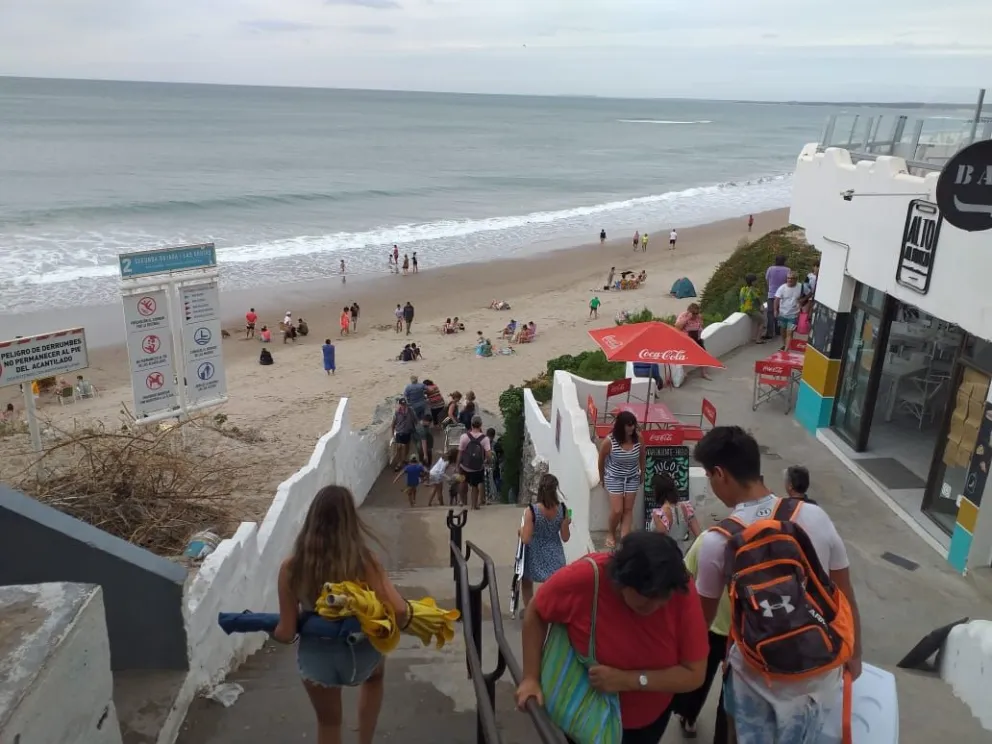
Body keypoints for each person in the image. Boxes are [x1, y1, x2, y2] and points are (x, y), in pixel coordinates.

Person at [692, 427, 862, 744]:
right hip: (819, 672)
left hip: (756, 681)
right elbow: (843, 594)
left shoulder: (718, 541)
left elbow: (701, 622)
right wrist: (855, 654)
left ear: (719, 474)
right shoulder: (815, 516)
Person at [515, 531, 709, 743]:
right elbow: (536, 611)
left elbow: (694, 674)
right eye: (645, 602)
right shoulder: (586, 578)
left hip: (646, 722)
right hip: (584, 714)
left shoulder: (678, 587)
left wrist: (627, 680)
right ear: (621, 581)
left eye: (662, 601)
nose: (654, 607)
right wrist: (530, 678)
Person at [274, 485, 407, 744]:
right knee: (375, 675)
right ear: (350, 521)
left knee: (328, 723)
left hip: (317, 658)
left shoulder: (291, 567)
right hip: (359, 653)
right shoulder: (365, 561)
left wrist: (271, 629)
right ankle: (364, 740)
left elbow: (286, 632)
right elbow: (399, 610)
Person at [671, 532, 732, 742]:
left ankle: (689, 719)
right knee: (731, 694)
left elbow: (685, 574)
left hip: (709, 625)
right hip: (744, 633)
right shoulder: (766, 541)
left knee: (700, 678)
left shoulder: (709, 539)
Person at [519, 473, 570, 609]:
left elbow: (526, 539)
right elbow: (565, 537)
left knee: (526, 581)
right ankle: (553, 608)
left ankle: (530, 610)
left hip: (535, 553)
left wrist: (521, 530)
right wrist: (566, 522)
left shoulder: (531, 511)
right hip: (555, 551)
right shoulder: (564, 509)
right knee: (554, 582)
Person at [598, 410, 645, 549]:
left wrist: (642, 472)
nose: (631, 428)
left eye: (633, 425)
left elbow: (642, 455)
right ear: (621, 426)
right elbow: (601, 460)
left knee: (628, 509)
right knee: (617, 510)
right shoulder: (609, 441)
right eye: (628, 425)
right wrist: (602, 478)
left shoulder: (639, 438)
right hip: (614, 477)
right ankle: (611, 533)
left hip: (632, 477)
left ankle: (625, 537)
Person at [649, 473, 701, 552]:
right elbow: (699, 536)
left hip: (665, 556)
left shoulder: (659, 515)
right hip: (681, 553)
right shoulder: (686, 508)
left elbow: (661, 542)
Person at [457, 415, 491, 510]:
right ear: (480, 425)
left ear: (471, 425)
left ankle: (461, 501)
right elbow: (488, 454)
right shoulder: (485, 439)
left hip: (464, 466)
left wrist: (457, 465)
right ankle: (474, 505)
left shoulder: (464, 437)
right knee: (475, 486)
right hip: (477, 467)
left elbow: (460, 452)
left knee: (462, 481)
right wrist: (488, 462)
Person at [675, 303, 711, 380]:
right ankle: (682, 373)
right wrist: (687, 319)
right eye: (694, 313)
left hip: (696, 338)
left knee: (704, 355)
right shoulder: (683, 316)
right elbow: (677, 327)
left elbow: (701, 325)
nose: (695, 315)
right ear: (689, 312)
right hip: (686, 339)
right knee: (682, 356)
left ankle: (704, 373)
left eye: (697, 313)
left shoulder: (699, 317)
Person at [774, 271, 803, 350]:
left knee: (789, 332)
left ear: (796, 279)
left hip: (794, 314)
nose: (790, 280)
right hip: (783, 313)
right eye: (788, 278)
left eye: (792, 278)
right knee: (783, 331)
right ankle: (784, 344)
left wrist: (803, 300)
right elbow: (777, 299)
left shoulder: (801, 286)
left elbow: (810, 293)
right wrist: (775, 310)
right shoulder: (782, 288)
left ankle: (786, 349)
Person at [764, 255, 789, 340]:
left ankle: (770, 333)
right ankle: (779, 331)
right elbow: (788, 282)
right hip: (782, 295)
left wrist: (770, 288)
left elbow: (767, 280)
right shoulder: (787, 270)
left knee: (770, 313)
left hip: (771, 294)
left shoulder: (770, 269)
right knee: (779, 312)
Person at [391, 398, 418, 471]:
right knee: (400, 447)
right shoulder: (396, 413)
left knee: (407, 447)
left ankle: (404, 459)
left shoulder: (410, 410)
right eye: (402, 404)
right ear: (399, 404)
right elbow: (393, 424)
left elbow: (415, 420)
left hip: (408, 432)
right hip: (399, 432)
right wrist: (393, 435)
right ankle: (399, 463)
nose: (403, 406)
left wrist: (417, 429)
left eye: (404, 404)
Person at [738, 274, 766, 344]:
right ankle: (758, 339)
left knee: (757, 321)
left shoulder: (743, 289)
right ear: (753, 282)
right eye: (755, 280)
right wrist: (761, 306)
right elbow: (758, 299)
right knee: (762, 321)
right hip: (752, 309)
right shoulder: (754, 290)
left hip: (744, 309)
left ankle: (754, 337)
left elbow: (741, 300)